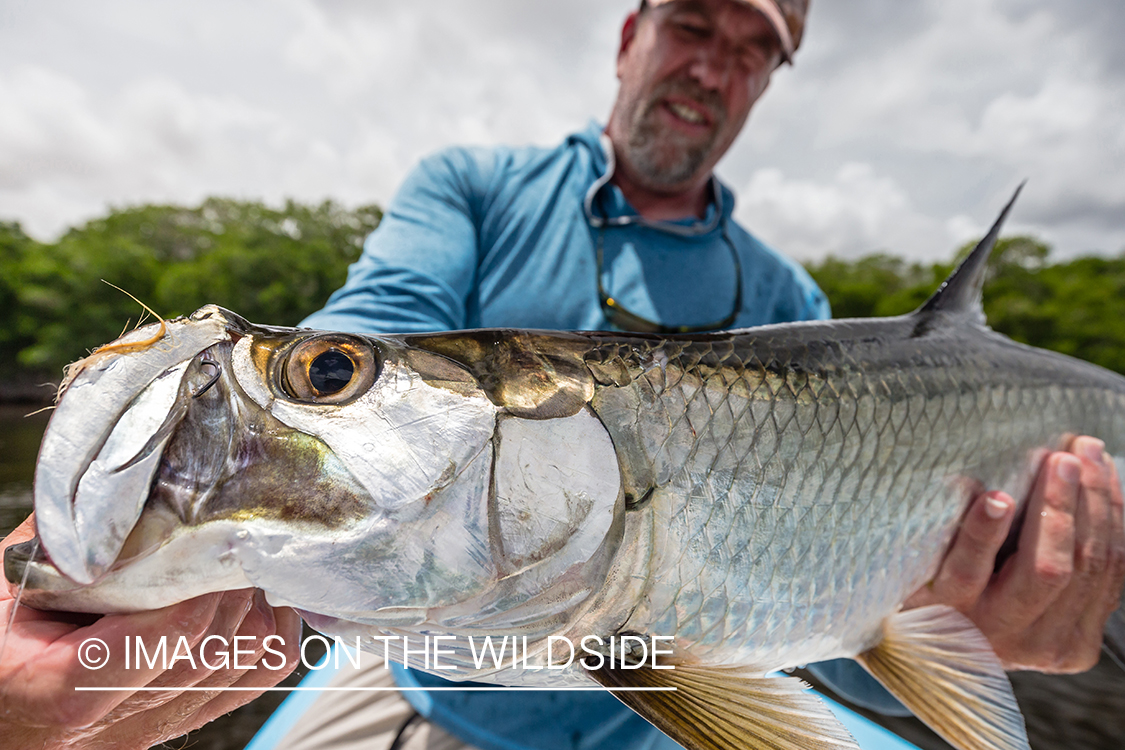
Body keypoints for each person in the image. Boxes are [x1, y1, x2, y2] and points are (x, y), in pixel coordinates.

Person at [247, 1, 1125, 749]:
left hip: (659, 721)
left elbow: (816, 608)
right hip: (442, 697)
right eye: (694, 24)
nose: (711, 69)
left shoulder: (791, 296)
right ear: (630, 36)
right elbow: (364, 346)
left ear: (768, 81)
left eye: (751, 49)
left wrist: (979, 628)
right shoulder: (476, 189)